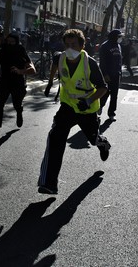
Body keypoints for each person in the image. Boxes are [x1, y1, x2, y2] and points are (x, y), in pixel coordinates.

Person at [38, 29, 111, 194]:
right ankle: (49, 183)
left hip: (87, 110)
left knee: (94, 139)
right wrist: (50, 82)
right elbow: (54, 64)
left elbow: (102, 88)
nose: (70, 48)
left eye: (74, 45)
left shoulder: (90, 63)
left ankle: (103, 144)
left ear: (82, 45)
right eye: (67, 44)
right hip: (67, 107)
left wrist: (88, 101)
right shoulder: (60, 56)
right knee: (55, 138)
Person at [0, 31, 35, 140]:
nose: (10, 44)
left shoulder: (21, 51)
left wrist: (20, 71)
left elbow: (32, 70)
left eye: (12, 42)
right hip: (4, 81)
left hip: (18, 82)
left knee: (16, 104)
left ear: (17, 42)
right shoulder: (1, 51)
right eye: (8, 41)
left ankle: (19, 111)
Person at [98, 29, 123, 121]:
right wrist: (104, 74)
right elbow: (102, 62)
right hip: (107, 74)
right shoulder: (104, 46)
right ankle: (99, 106)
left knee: (114, 94)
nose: (120, 38)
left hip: (117, 74)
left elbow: (120, 60)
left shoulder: (119, 46)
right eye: (119, 36)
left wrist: (121, 72)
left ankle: (111, 113)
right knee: (105, 92)